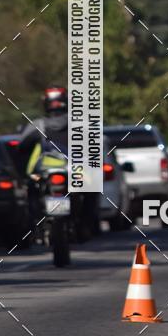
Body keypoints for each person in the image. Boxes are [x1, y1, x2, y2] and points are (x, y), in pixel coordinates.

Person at [18, 86, 99, 241]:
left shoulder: (38, 125)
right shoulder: (79, 123)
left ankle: (36, 225)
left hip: (49, 172)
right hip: (73, 172)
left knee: (32, 186)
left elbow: (22, 146)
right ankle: (83, 227)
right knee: (92, 189)